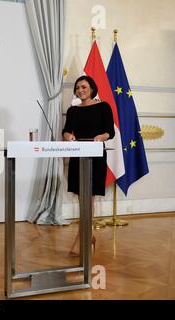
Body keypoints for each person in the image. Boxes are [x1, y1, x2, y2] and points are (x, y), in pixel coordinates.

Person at [62, 75, 115, 256]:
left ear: (92, 88)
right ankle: (89, 235)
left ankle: (81, 239)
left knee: (88, 198)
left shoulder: (103, 106)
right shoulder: (72, 110)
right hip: (78, 155)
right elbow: (66, 130)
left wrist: (101, 137)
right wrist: (68, 136)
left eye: (84, 87)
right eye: (77, 88)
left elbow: (110, 131)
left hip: (95, 156)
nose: (80, 90)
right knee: (80, 197)